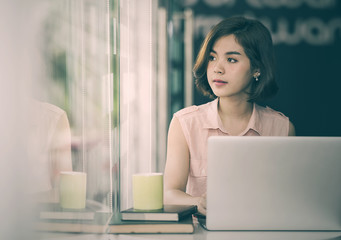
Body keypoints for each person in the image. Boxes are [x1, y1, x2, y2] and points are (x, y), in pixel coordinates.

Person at [163, 16, 295, 215]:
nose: (217, 68)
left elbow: (290, 199)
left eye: (231, 59)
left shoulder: (282, 128)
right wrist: (199, 202)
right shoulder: (184, 123)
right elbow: (169, 194)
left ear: (256, 69)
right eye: (212, 57)